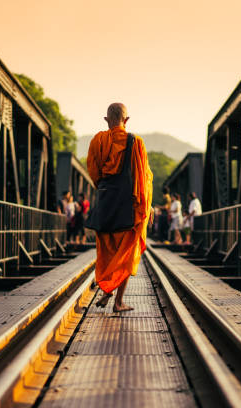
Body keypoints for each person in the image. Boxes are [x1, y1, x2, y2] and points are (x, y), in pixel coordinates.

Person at [87, 103, 153, 312]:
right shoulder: (136, 143)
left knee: (106, 252)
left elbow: (93, 171)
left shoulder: (99, 140)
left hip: (106, 203)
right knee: (125, 254)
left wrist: (104, 188)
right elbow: (143, 178)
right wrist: (145, 207)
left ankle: (107, 291)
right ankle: (118, 302)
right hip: (127, 206)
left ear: (106, 120)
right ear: (126, 120)